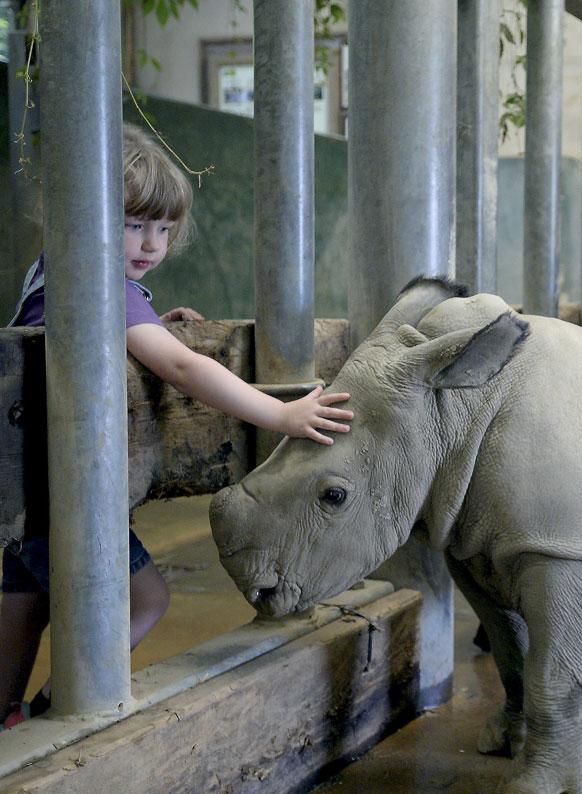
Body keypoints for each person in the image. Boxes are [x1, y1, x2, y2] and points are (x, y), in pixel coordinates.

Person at [1, 124, 353, 729]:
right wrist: (281, 413)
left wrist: (152, 324)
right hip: (62, 490)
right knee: (146, 601)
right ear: (83, 215)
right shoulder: (99, 282)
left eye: (163, 229)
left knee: (23, 602)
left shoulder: (52, 272)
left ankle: (7, 717)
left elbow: (101, 343)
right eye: (134, 223)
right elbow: (181, 365)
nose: (150, 243)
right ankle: (48, 717)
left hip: (23, 487)